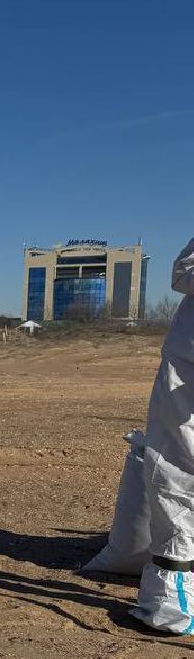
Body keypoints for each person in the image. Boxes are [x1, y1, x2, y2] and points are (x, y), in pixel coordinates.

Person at [129, 238, 194, 634]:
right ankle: (173, 601)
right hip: (185, 373)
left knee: (178, 476)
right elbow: (184, 271)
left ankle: (174, 600)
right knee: (177, 475)